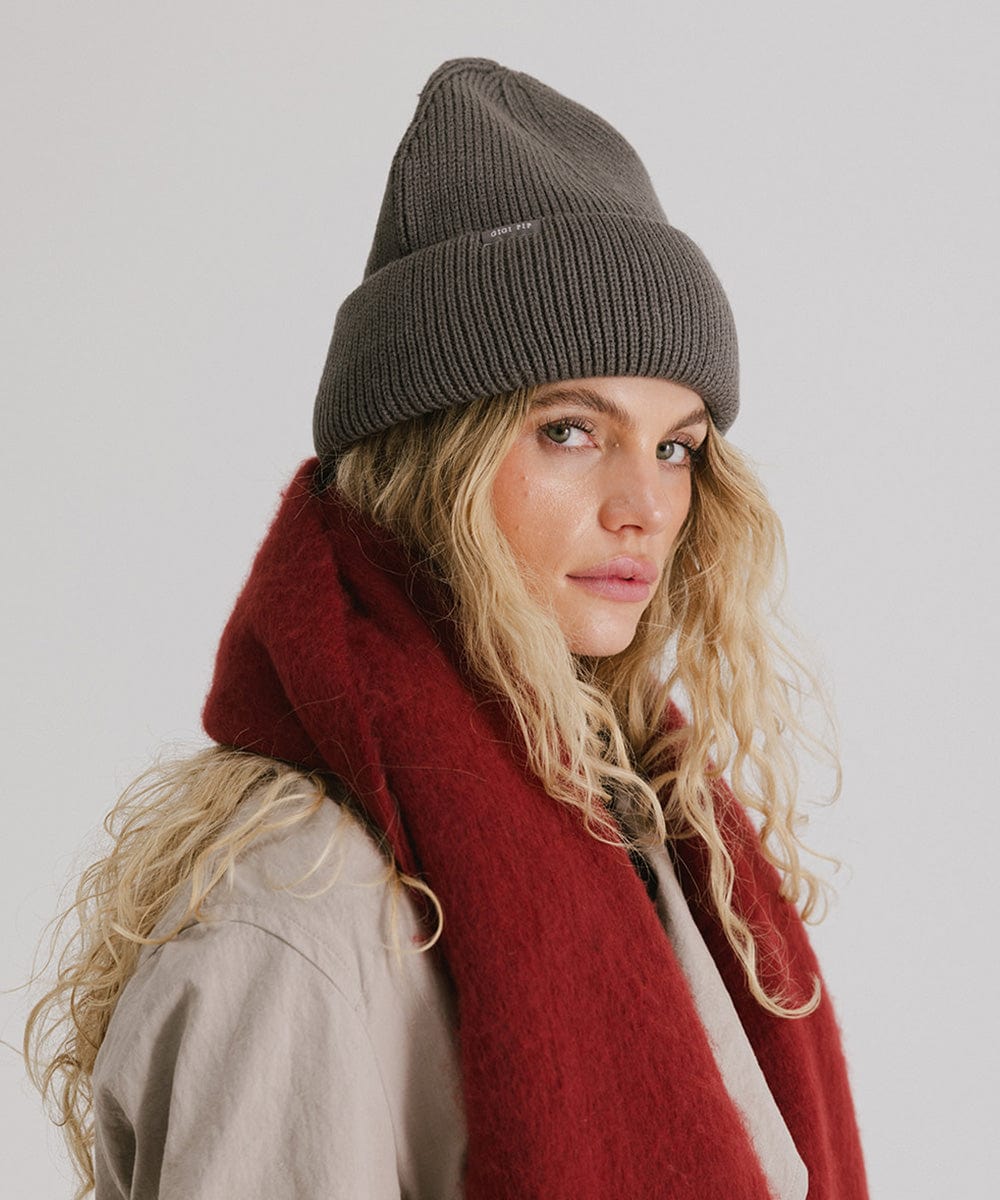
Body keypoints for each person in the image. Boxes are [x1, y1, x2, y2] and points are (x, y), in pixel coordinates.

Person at [24, 56, 870, 1199]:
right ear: (435, 462)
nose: (645, 504)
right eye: (570, 430)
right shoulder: (301, 910)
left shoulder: (646, 825)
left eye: (675, 445)